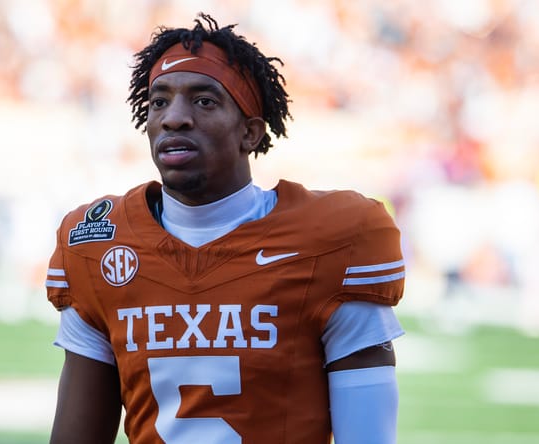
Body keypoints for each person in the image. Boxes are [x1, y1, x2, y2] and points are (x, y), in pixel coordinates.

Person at [45, 13, 405, 444]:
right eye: (159, 101)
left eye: (204, 101)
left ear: (250, 133)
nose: (173, 118)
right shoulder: (101, 244)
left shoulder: (332, 239)